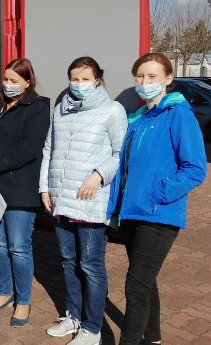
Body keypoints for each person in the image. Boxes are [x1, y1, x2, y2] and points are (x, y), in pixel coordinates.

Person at [107, 52, 206, 345]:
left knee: (135, 285)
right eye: (140, 76)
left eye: (152, 76)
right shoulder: (137, 118)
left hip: (157, 213)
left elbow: (195, 169)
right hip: (132, 212)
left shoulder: (178, 114)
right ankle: (153, 338)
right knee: (145, 282)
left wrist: (155, 194)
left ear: (168, 79)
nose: (145, 82)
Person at [39, 56, 128, 345]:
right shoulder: (61, 109)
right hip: (62, 198)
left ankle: (92, 328)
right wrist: (44, 188)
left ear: (98, 79)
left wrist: (99, 175)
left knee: (90, 265)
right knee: (68, 261)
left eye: (85, 79)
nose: (79, 84)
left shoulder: (113, 110)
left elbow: (120, 154)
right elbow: (49, 149)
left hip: (91, 201)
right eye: (74, 79)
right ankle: (73, 316)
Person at [0, 58, 50, 328]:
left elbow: (30, 148)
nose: (8, 85)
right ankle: (5, 292)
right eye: (6, 79)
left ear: (27, 82)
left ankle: (23, 300)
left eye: (14, 81)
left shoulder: (37, 108)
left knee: (19, 247)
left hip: (19, 188)